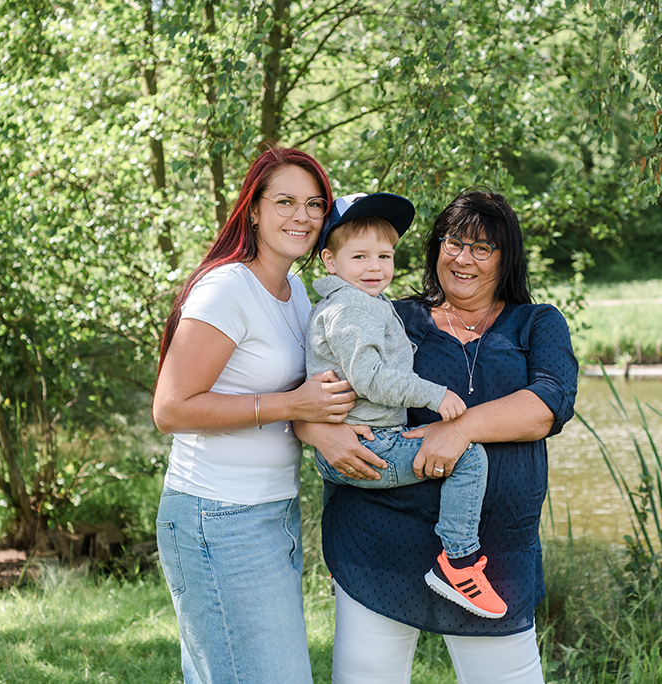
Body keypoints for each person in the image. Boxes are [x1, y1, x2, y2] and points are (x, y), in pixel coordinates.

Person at [296, 188, 579, 684]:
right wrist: (314, 430)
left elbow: (546, 406)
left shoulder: (536, 323)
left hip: (490, 555)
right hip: (380, 540)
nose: (463, 258)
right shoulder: (393, 316)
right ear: (435, 249)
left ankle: (459, 561)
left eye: (482, 247)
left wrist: (460, 429)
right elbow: (316, 383)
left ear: (505, 258)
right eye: (453, 242)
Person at [151, 146, 372, 684]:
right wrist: (292, 406)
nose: (302, 216)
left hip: (271, 512)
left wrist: (321, 425)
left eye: (315, 204)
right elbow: (171, 408)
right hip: (216, 515)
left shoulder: (295, 290)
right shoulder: (227, 287)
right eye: (286, 202)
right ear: (253, 208)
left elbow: (301, 393)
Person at [306, 191, 506, 619]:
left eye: (384, 255)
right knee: (468, 458)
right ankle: (458, 560)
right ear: (329, 261)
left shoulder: (367, 303)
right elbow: (369, 378)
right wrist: (435, 394)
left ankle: (344, 566)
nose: (375, 267)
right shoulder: (351, 309)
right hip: (370, 442)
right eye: (359, 257)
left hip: (362, 436)